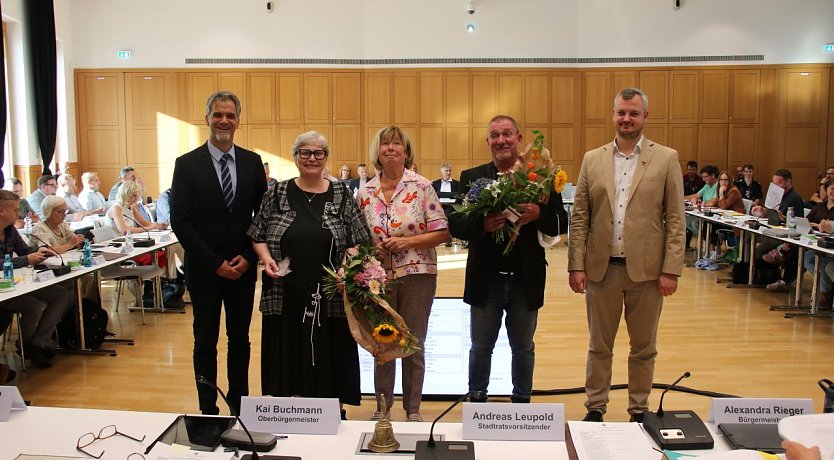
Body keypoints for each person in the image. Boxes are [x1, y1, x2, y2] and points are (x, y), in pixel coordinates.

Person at [568, 88, 685, 422]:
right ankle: (595, 407)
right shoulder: (593, 159)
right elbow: (580, 217)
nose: (627, 119)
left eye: (633, 113)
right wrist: (576, 264)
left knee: (644, 348)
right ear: (613, 114)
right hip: (601, 271)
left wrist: (671, 269)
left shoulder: (666, 158)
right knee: (598, 346)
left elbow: (676, 218)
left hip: (648, 273)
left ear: (645, 116)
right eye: (621, 112)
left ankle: (638, 409)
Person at [248, 131, 370, 419]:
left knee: (330, 350)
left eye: (318, 153)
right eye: (305, 153)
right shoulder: (276, 194)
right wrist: (266, 259)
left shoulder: (341, 194)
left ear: (326, 158)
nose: (312, 158)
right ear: (295, 157)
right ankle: (292, 411)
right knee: (288, 348)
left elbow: (361, 240)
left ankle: (331, 412)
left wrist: (346, 266)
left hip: (330, 293)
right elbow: (257, 234)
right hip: (285, 290)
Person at [448, 115, 567, 404]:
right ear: (488, 142)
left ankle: (522, 401)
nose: (501, 140)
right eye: (495, 135)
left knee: (523, 347)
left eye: (507, 134)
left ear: (519, 139)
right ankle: (476, 399)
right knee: (480, 347)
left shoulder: (540, 177)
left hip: (525, 278)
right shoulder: (471, 177)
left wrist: (539, 213)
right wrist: (482, 225)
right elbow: (456, 224)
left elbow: (562, 222)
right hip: (485, 278)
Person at [170, 91, 267, 415]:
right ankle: (207, 409)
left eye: (230, 115)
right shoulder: (186, 165)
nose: (224, 120)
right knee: (205, 343)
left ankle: (240, 407)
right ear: (207, 118)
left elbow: (263, 216)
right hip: (204, 271)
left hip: (241, 270)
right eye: (218, 114)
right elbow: (180, 221)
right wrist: (214, 263)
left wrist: (249, 257)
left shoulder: (253, 163)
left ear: (238, 120)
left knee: (240, 341)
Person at [357, 126, 450, 421]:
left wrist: (405, 242)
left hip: (417, 274)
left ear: (406, 152)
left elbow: (442, 232)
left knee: (412, 343)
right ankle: (382, 409)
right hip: (378, 277)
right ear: (377, 152)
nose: (391, 148)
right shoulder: (365, 192)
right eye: (385, 144)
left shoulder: (422, 186)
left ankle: (413, 410)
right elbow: (359, 239)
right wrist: (374, 252)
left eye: (397, 143)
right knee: (383, 343)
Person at [0, 190, 70, 368]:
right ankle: (25, 345)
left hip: (18, 282)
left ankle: (37, 343)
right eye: (15, 210)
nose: (19, 214)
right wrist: (26, 260)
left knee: (60, 294)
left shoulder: (10, 230)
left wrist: (38, 252)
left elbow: (24, 251)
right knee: (34, 305)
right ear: (2, 210)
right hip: (4, 289)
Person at [30, 195, 100, 302]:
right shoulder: (39, 228)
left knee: (88, 278)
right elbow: (48, 251)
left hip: (64, 265)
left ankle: (89, 310)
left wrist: (78, 241)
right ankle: (72, 313)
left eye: (65, 211)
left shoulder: (62, 225)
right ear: (48, 211)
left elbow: (72, 239)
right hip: (45, 271)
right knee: (78, 281)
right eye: (60, 212)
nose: (64, 215)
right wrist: (70, 244)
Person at [751, 169, 806, 292]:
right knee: (750, 238)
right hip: (774, 230)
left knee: (759, 249)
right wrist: (763, 211)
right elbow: (773, 215)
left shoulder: (794, 198)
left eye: (779, 183)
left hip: (785, 236)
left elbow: (799, 223)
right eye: (774, 183)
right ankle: (757, 274)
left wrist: (784, 219)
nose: (776, 186)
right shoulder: (778, 195)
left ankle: (773, 278)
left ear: (788, 182)